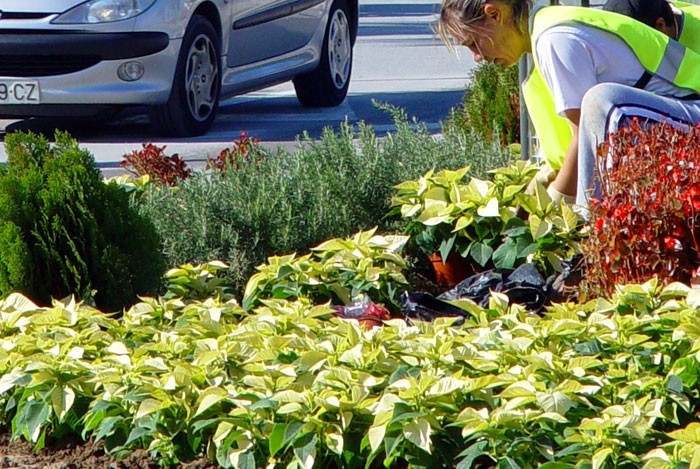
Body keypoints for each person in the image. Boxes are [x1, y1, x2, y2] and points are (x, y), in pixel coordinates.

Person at [438, 0, 700, 211]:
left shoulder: (554, 38)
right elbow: (576, 145)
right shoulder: (547, 26)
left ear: (494, 14)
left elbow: (586, 139)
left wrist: (555, 208)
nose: (476, 57)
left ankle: (591, 231)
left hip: (692, 115)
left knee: (602, 101)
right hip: (681, 115)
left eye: (473, 43)